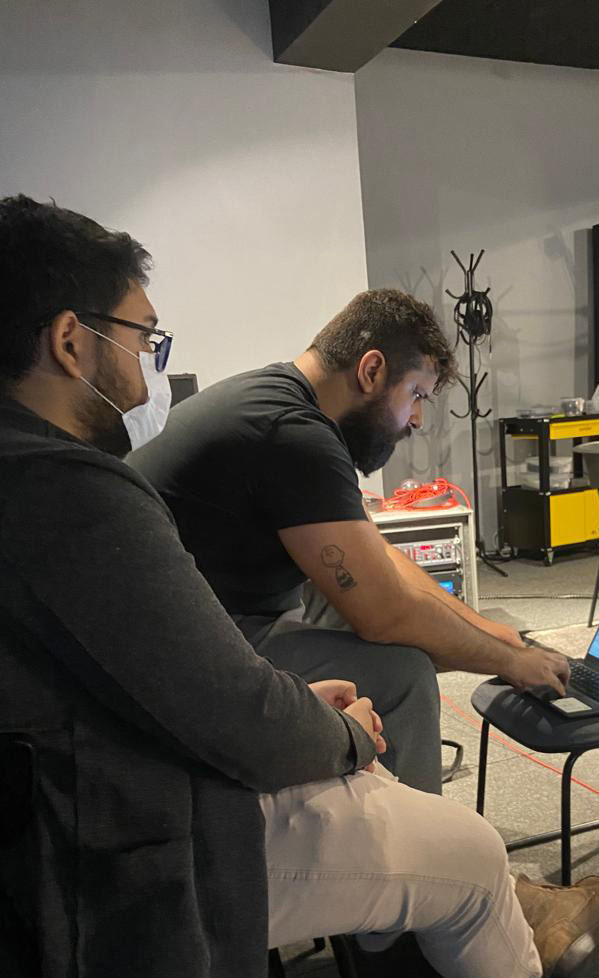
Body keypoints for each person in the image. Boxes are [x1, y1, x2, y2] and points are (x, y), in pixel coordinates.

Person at [0, 195, 599, 978]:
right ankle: (423, 943)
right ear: (72, 342)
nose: (149, 370)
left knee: (390, 657)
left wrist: (496, 637)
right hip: (114, 826)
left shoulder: (259, 410)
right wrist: (341, 727)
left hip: (114, 749)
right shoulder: (95, 484)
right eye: (144, 339)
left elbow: (383, 574)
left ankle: (452, 896)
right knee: (406, 685)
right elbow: (351, 635)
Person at [130, 291, 569, 796]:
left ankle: (375, 814)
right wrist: (511, 662)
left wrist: (487, 629)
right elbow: (387, 613)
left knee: (369, 609)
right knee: (401, 673)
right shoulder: (293, 434)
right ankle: (432, 865)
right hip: (187, 658)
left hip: (202, 624)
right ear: (372, 370)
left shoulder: (281, 403)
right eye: (418, 395)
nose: (418, 420)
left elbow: (376, 560)